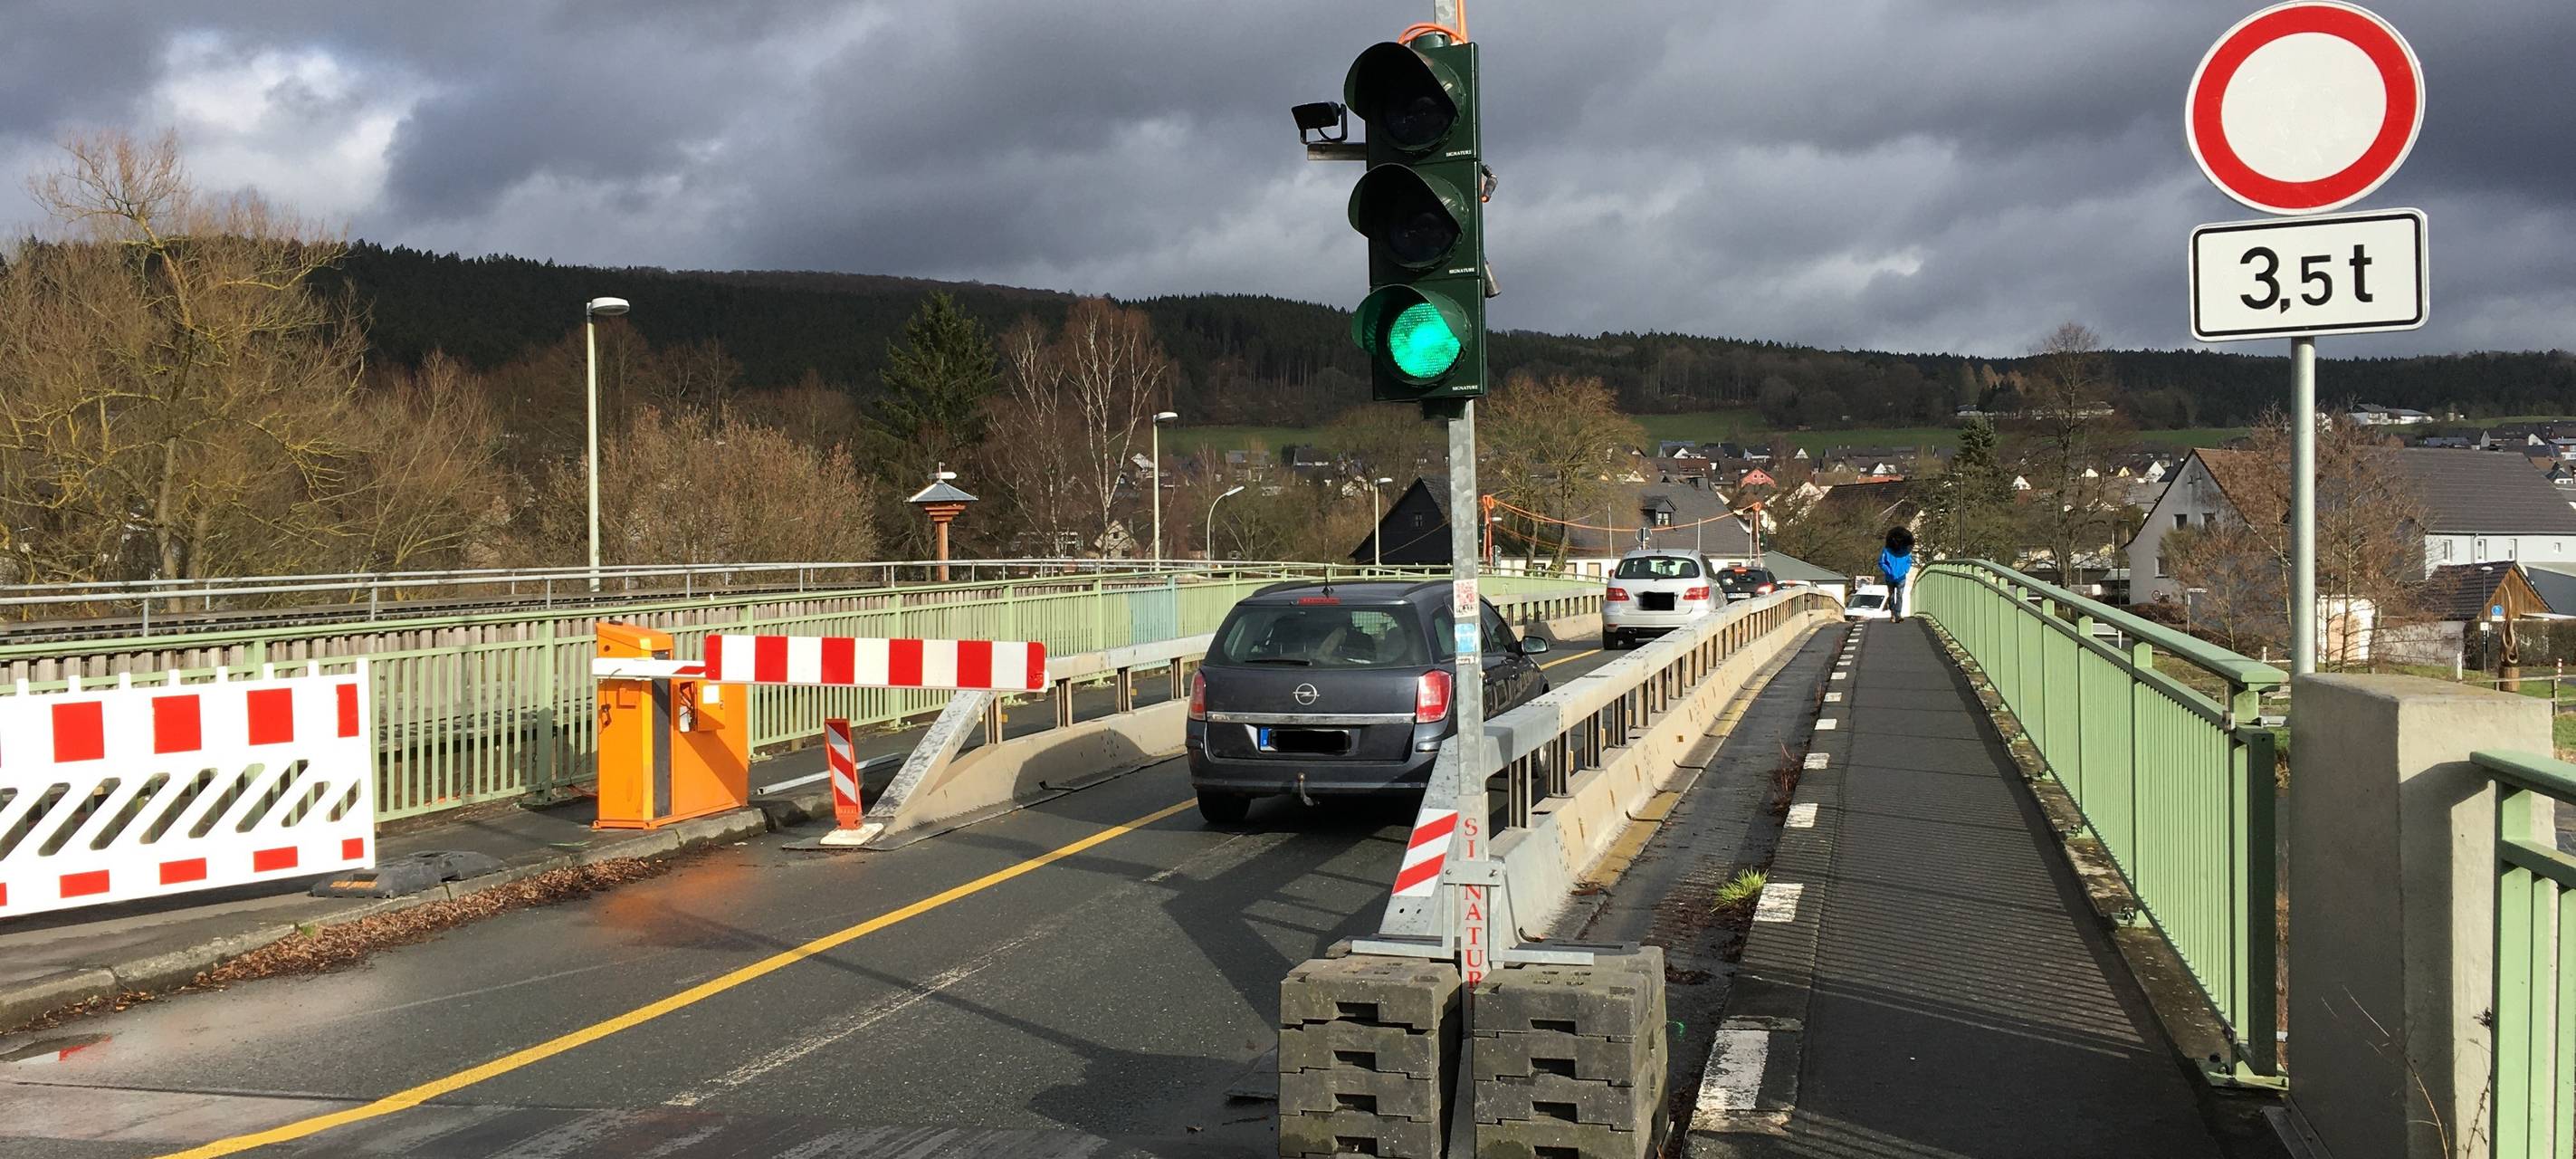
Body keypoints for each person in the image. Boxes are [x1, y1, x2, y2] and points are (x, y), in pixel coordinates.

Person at [1876, 526, 1915, 622]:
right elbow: (1882, 563)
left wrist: (1905, 570)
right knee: (1893, 595)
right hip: (1892, 577)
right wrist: (1889, 571)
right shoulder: (1888, 551)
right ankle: (1893, 613)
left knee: (1899, 595)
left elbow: (1909, 562)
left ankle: (1897, 614)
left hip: (1900, 577)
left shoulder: (1905, 552)